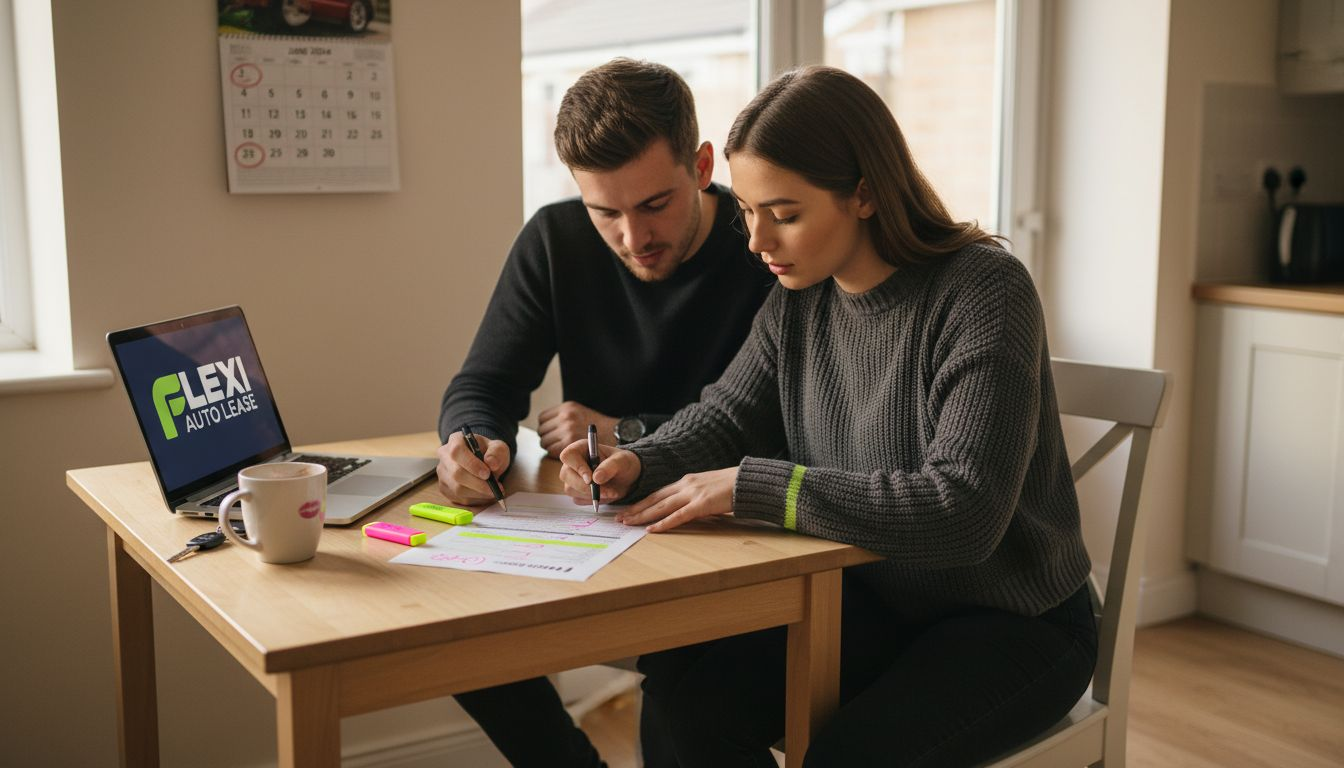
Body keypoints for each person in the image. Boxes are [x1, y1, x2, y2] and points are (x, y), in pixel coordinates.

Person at [558, 65, 1098, 767]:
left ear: (866, 193)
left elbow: (966, 512)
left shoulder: (984, 289)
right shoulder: (799, 299)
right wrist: (642, 459)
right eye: (748, 211)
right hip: (873, 600)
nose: (757, 242)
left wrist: (759, 486)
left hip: (1016, 622)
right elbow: (726, 416)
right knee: (684, 708)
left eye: (783, 215)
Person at [436, 58, 773, 768]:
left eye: (655, 204)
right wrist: (472, 440)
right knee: (451, 634)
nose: (631, 236)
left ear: (704, 164)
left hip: (729, 543)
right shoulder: (556, 240)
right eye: (604, 212)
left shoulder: (764, 253)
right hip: (604, 528)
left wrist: (630, 430)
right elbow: (486, 382)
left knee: (684, 718)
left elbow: (764, 422)